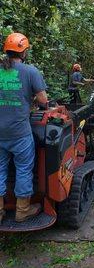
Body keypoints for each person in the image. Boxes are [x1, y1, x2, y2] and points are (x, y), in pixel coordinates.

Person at [0, 32, 48, 224]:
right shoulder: (30, 71)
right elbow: (43, 100)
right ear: (24, 51)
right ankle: (22, 210)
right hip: (20, 133)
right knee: (23, 169)